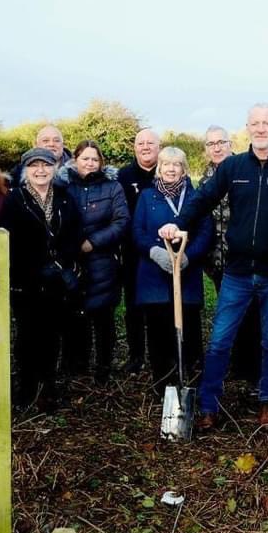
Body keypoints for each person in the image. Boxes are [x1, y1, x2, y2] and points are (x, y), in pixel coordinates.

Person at [159, 103, 268, 428]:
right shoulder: (232, 167)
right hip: (237, 272)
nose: (261, 129)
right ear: (247, 128)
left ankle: (267, 404)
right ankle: (208, 406)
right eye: (255, 123)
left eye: (267, 123)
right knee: (220, 340)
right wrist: (179, 222)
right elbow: (203, 198)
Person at [0, 148, 81, 411]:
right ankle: (26, 390)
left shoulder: (65, 199)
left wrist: (61, 264)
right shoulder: (15, 199)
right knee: (27, 336)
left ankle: (48, 387)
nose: (40, 171)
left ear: (54, 168)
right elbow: (9, 240)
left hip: (57, 281)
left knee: (52, 335)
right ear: (26, 170)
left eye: (46, 165)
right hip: (27, 282)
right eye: (34, 166)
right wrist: (34, 268)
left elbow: (73, 234)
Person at [132, 147, 213, 391]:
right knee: (158, 332)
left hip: (186, 275)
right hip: (154, 275)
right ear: (159, 168)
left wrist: (188, 256)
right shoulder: (147, 196)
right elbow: (137, 232)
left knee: (188, 329)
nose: (170, 168)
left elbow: (205, 231)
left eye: (176, 164)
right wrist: (155, 252)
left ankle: (190, 382)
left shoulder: (195, 197)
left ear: (184, 169)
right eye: (166, 164)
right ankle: (162, 385)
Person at [63, 140, 129, 384]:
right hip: (72, 260)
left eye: (94, 159)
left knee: (103, 317)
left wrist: (93, 242)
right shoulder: (64, 186)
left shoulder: (113, 187)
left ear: (101, 162)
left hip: (103, 260)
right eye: (85, 158)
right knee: (75, 315)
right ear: (75, 160)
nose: (90, 163)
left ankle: (103, 367)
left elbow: (121, 221)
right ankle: (76, 365)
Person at [202, 125, 261, 384]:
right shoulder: (205, 180)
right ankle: (236, 364)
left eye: (221, 142)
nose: (216, 147)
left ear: (230, 143)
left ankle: (252, 368)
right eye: (211, 143)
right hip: (217, 260)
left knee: (251, 315)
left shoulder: (244, 170)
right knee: (228, 314)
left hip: (245, 260)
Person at [118, 129, 161, 374]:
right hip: (133, 252)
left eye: (150, 143)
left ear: (159, 146)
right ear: (134, 147)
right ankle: (135, 356)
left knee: (158, 306)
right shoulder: (124, 175)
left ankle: (160, 355)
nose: (145, 147)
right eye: (140, 143)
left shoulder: (167, 171)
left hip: (161, 249)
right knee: (133, 306)